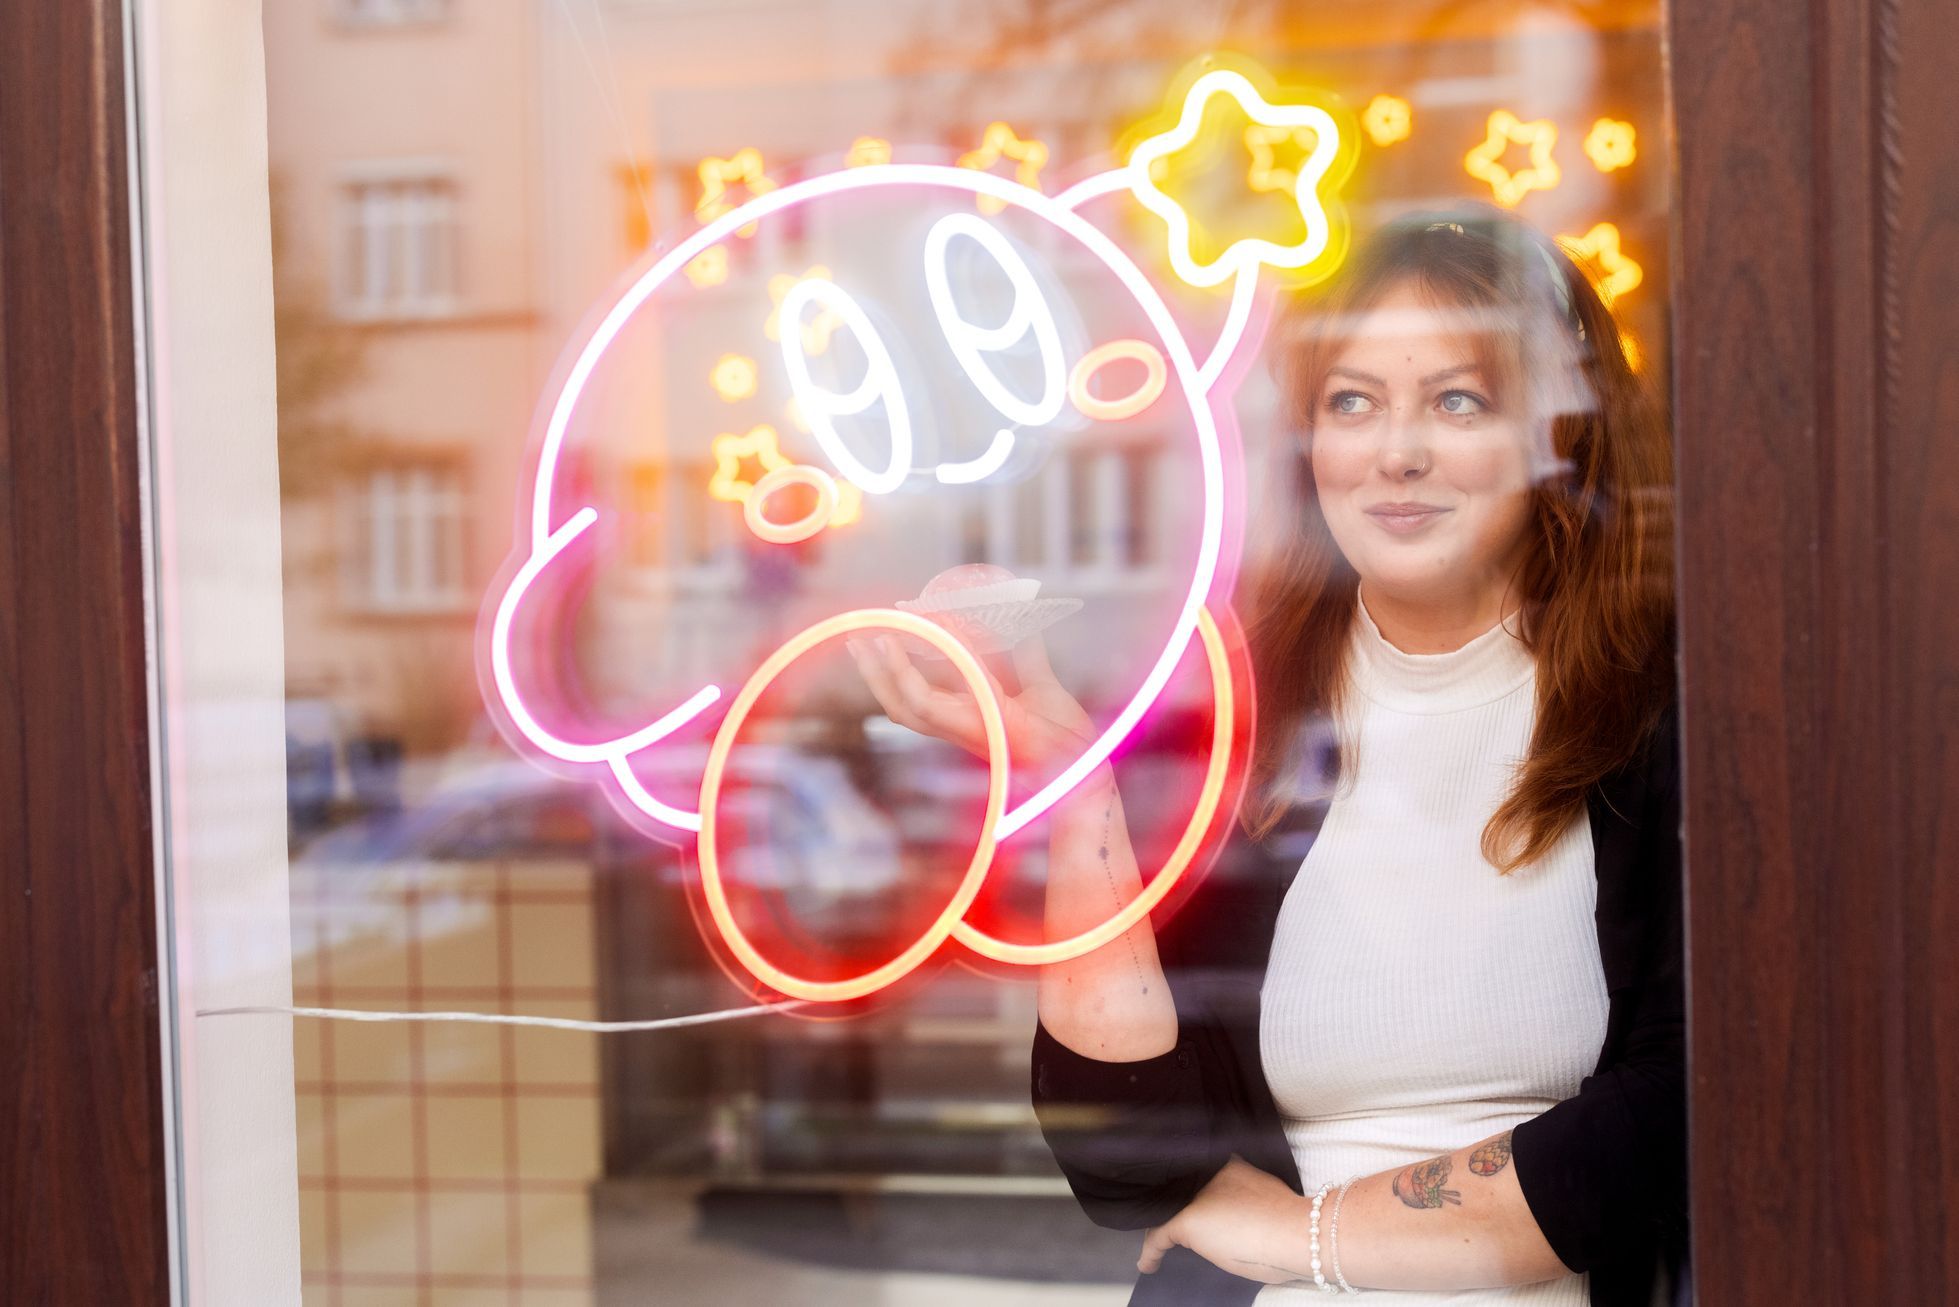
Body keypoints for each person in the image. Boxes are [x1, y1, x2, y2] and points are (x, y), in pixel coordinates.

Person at [846, 203, 1685, 1306]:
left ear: (1557, 436)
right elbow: (1126, 1147)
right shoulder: (1240, 714)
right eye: (1352, 402)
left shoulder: (1664, 710)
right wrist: (1076, 785)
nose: (1398, 451)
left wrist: (1302, 1233)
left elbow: (1670, 1122)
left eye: (1458, 399)